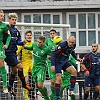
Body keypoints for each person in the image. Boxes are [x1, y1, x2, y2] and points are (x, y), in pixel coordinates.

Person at [4, 12, 32, 96]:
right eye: (12, 19)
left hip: (13, 53)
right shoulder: (6, 29)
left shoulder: (16, 31)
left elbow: (18, 41)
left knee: (14, 71)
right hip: (8, 53)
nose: (14, 21)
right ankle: (24, 84)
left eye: (15, 20)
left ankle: (9, 86)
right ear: (9, 20)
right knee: (20, 67)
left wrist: (22, 42)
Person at [24, 36, 51, 100]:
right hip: (35, 67)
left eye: (40, 42)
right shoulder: (34, 44)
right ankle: (44, 95)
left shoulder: (46, 49)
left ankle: (47, 97)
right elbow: (31, 48)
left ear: (44, 42)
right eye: (38, 42)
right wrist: (24, 46)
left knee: (40, 85)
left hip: (42, 67)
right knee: (37, 84)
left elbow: (52, 56)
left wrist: (50, 59)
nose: (38, 43)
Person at [16, 30, 34, 100]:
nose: (29, 36)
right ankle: (26, 97)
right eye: (28, 35)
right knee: (25, 80)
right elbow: (17, 52)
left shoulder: (33, 43)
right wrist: (17, 58)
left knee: (36, 76)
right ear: (25, 36)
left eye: (30, 35)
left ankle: (38, 91)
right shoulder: (22, 44)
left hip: (31, 62)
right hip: (24, 63)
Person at [0, 10, 11, 93]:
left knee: (2, 62)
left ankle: (5, 85)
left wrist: (6, 44)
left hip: (0, 46)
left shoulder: (4, 26)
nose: (2, 17)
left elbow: (9, 36)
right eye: (1, 16)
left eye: (3, 16)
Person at [45, 29, 57, 100]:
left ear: (56, 34)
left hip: (58, 62)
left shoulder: (59, 41)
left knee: (58, 80)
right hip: (50, 62)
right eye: (51, 33)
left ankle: (57, 96)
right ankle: (53, 95)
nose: (52, 34)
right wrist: (47, 56)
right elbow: (45, 49)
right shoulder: (47, 41)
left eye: (53, 33)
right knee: (52, 81)